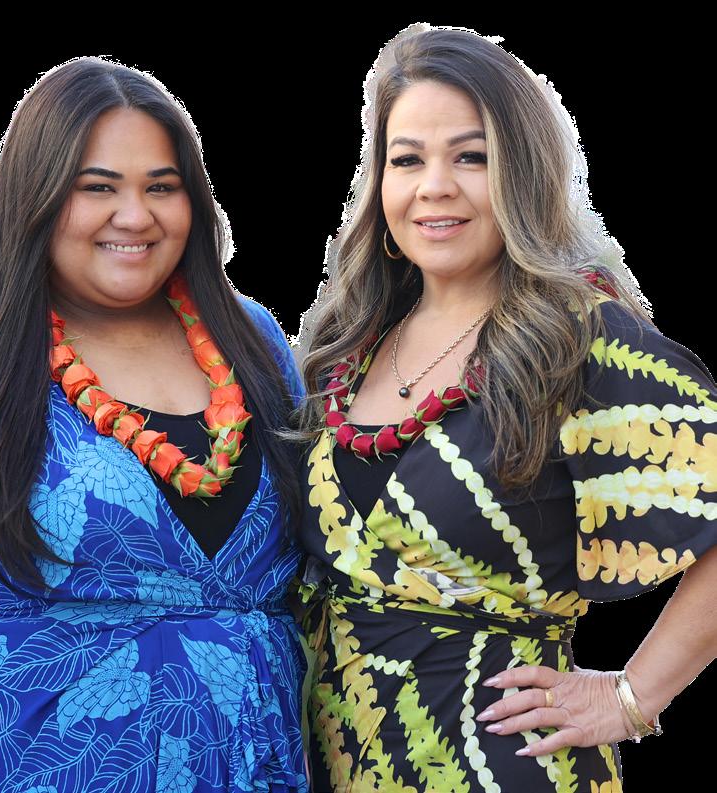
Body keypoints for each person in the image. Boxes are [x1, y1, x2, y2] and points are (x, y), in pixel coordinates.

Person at [0, 58, 311, 793]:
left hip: (254, 766)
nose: (135, 216)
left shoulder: (253, 342)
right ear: (39, 196)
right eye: (98, 187)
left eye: (161, 186)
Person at [290, 24, 717, 792]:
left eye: (470, 156)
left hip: (496, 767)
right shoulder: (345, 340)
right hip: (330, 760)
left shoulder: (581, 341)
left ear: (522, 173)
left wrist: (632, 695)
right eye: (406, 159)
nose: (434, 186)